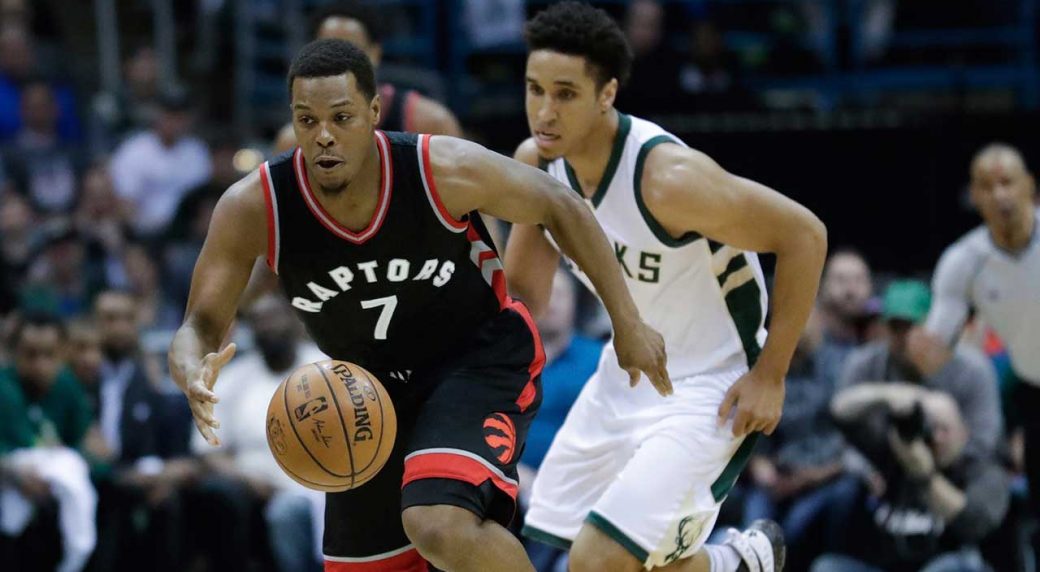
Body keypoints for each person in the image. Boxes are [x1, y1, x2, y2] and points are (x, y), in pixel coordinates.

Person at [169, 38, 667, 572]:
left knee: (438, 522)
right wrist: (189, 365)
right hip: (367, 392)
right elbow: (199, 324)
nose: (324, 136)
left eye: (341, 117)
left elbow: (560, 203)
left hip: (475, 361)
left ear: (374, 114)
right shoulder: (255, 205)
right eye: (307, 121)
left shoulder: (437, 168)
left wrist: (628, 320)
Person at [507, 3, 828, 572]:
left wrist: (771, 374)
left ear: (607, 94)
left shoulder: (667, 179)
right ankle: (741, 562)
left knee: (598, 561)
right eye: (535, 90)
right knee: (592, 554)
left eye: (565, 93)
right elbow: (523, 299)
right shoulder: (538, 167)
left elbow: (804, 234)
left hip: (713, 379)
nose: (544, 111)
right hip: (628, 373)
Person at [914, 142, 1040, 541]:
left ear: (1030, 187)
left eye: (1008, 182)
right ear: (974, 197)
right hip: (1032, 395)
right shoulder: (963, 262)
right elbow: (935, 355)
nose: (999, 194)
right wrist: (922, 352)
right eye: (987, 186)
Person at [825, 384, 1008, 572]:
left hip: (944, 563)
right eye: (931, 429)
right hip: (884, 565)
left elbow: (974, 523)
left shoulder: (984, 471)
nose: (937, 438)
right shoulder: (895, 456)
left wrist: (924, 475)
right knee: (828, 566)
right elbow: (840, 412)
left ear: (964, 432)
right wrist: (889, 394)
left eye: (945, 430)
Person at [273, 0, 462, 154]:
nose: (340, 62)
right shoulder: (292, 143)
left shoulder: (433, 123)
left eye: (352, 51)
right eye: (329, 51)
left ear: (375, 53)